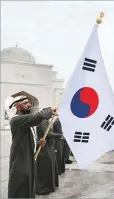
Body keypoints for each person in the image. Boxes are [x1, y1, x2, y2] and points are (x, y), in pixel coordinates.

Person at [8, 95, 57, 198]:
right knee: (20, 190)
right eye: (25, 103)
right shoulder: (16, 120)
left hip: (28, 160)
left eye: (28, 102)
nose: (29, 104)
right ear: (17, 106)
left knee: (28, 189)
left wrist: (38, 143)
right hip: (20, 163)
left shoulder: (26, 123)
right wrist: (48, 111)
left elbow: (27, 140)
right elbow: (35, 117)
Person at [35, 115, 63, 195]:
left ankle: (50, 186)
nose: (52, 114)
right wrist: (60, 135)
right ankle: (44, 187)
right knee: (46, 168)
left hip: (49, 146)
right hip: (45, 148)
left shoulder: (46, 121)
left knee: (50, 166)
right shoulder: (44, 121)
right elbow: (48, 134)